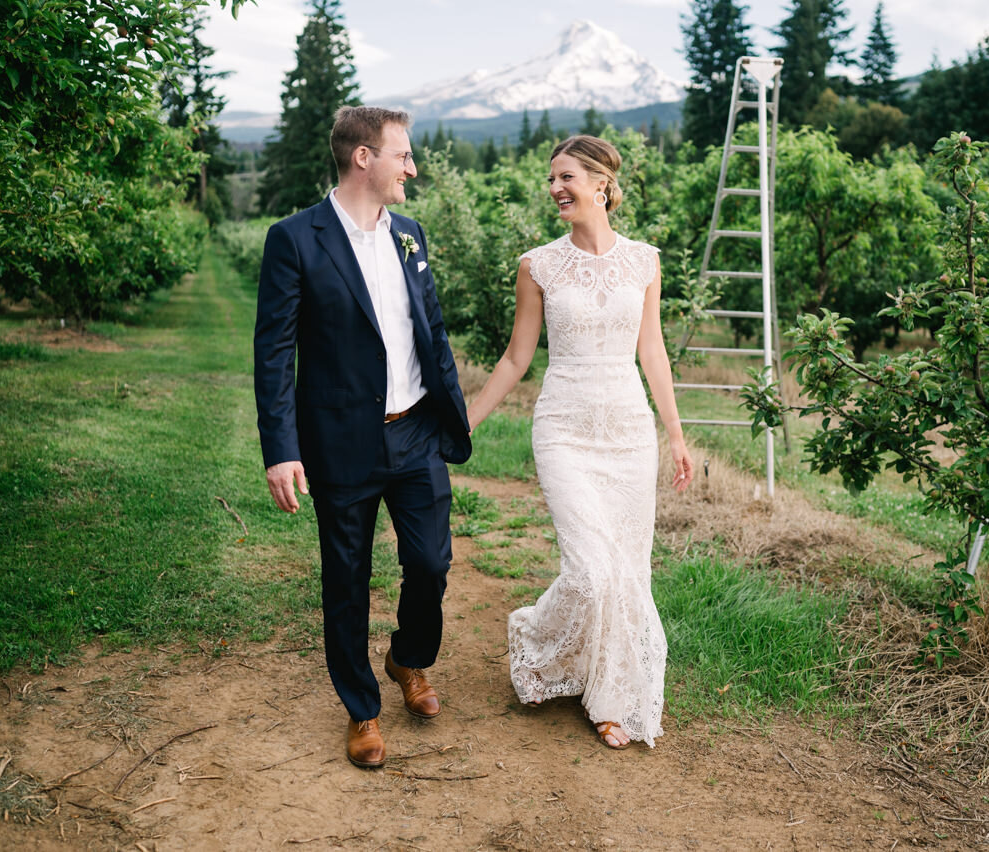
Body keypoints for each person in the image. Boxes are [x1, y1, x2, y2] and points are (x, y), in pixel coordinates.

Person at [253, 106, 471, 770]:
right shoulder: (295, 239)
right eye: (403, 155)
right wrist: (281, 447)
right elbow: (274, 352)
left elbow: (429, 330)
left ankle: (407, 659)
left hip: (416, 437)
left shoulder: (411, 235)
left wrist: (450, 409)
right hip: (341, 441)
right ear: (363, 159)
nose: (412, 167)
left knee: (430, 564)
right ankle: (362, 708)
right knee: (346, 578)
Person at [466, 135, 694, 749]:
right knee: (591, 573)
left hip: (627, 433)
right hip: (563, 430)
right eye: (551, 180)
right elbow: (517, 359)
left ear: (601, 183)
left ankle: (610, 695)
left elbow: (653, 351)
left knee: (626, 572)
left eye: (565, 177)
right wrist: (466, 421)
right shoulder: (537, 265)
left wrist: (675, 434)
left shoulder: (645, 261)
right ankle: (536, 638)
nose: (555, 189)